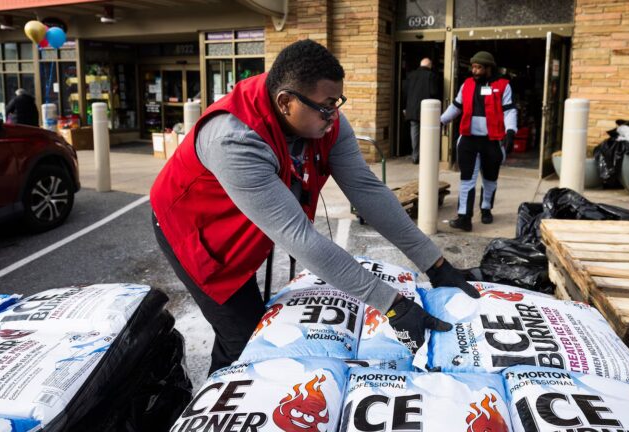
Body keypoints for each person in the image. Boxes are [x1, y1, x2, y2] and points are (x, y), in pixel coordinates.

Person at [150, 40, 480, 374]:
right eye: (326, 106)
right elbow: (298, 236)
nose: (334, 116)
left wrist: (435, 263)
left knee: (245, 330)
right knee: (248, 343)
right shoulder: (234, 138)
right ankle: (217, 414)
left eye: (337, 103)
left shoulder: (321, 117)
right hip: (198, 234)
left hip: (250, 222)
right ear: (285, 102)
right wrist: (391, 304)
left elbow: (367, 191)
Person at [441, 51, 516, 231]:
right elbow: (456, 106)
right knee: (467, 180)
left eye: (479, 67)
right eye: (473, 67)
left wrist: (511, 131)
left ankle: (486, 209)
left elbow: (509, 110)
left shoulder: (503, 85)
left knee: (490, 180)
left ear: (489, 68)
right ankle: (464, 217)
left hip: (492, 141)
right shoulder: (466, 85)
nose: (474, 71)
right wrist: (441, 120)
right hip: (469, 140)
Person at [403, 58, 439, 164]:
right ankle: (427, 156)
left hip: (412, 109)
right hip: (428, 111)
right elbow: (434, 92)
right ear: (430, 65)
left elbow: (405, 92)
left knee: (414, 133)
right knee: (428, 133)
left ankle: (415, 156)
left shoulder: (410, 75)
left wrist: (405, 108)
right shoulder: (431, 76)